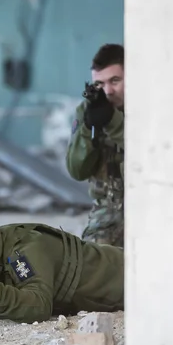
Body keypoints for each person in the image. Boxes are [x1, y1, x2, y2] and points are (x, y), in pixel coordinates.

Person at [66, 44, 125, 247]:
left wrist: (113, 121)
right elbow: (77, 170)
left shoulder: (149, 106)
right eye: (100, 84)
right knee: (92, 265)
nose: (108, 91)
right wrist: (88, 130)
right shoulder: (87, 109)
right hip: (108, 210)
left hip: (150, 208)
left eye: (115, 81)